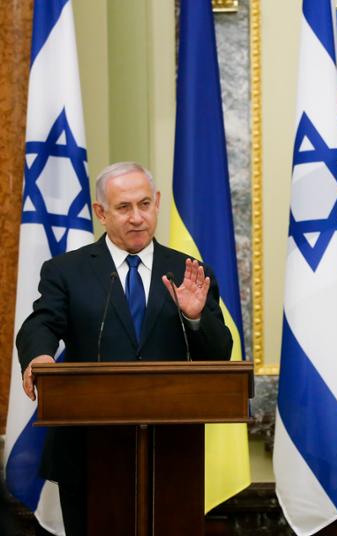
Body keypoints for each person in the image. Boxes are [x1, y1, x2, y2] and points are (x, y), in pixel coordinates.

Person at [16, 161, 233, 535]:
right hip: (87, 450)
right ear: (101, 212)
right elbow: (42, 323)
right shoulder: (67, 271)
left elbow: (219, 354)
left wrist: (195, 317)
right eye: (123, 207)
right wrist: (39, 355)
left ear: (157, 203)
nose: (137, 217)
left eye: (144, 204)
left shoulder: (189, 271)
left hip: (173, 451)